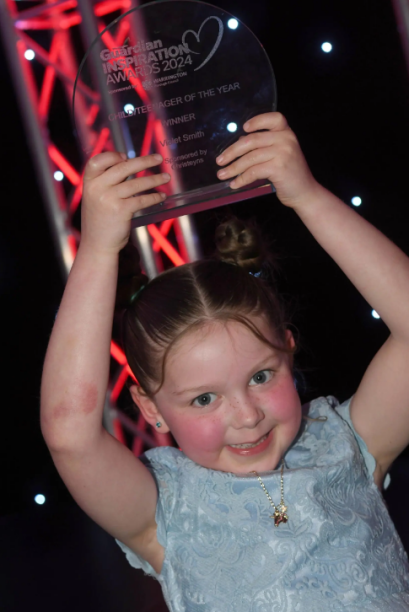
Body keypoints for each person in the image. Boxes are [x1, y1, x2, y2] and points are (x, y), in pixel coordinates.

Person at [40, 113, 409, 611]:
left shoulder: (349, 445)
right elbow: (69, 432)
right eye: (204, 398)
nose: (247, 415)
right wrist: (100, 250)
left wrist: (307, 196)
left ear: (287, 348)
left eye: (261, 376)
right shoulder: (163, 512)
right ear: (151, 409)